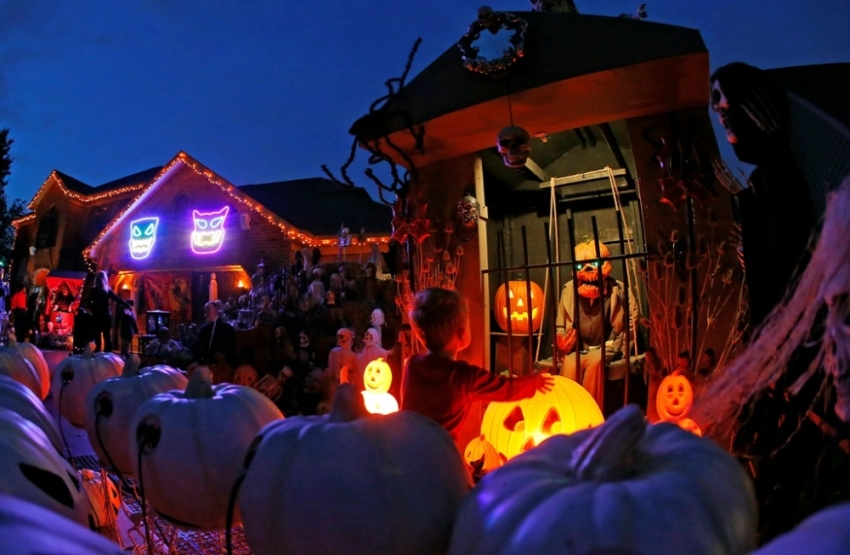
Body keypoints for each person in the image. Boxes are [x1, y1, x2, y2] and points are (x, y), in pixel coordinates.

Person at [400, 287, 554, 443]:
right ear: (462, 333)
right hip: (439, 455)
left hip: (406, 446)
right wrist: (533, 382)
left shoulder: (411, 365)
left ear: (421, 335)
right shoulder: (463, 376)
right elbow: (505, 388)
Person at [556, 240, 637, 409]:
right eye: (580, 267)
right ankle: (568, 411)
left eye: (595, 264)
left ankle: (590, 412)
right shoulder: (569, 291)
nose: (588, 271)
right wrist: (562, 341)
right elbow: (561, 324)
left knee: (595, 363)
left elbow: (633, 317)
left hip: (606, 346)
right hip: (579, 347)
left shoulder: (618, 290)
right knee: (571, 364)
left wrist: (623, 344)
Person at [88, 271, 130, 352]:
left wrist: (93, 309)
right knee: (107, 337)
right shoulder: (107, 291)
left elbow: (89, 303)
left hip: (96, 316)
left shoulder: (93, 291)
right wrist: (127, 305)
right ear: (105, 280)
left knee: (97, 338)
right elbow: (118, 299)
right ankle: (108, 357)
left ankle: (97, 356)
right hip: (106, 316)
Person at [194, 301, 237, 366]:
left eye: (208, 309)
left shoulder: (227, 329)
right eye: (205, 310)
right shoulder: (204, 329)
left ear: (216, 310)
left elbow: (231, 349)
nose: (206, 313)